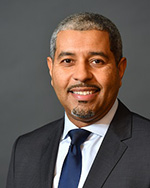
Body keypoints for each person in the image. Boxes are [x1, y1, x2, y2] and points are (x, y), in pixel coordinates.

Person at [6, 12, 150, 188]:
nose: (82, 75)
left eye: (97, 61)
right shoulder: (25, 149)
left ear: (120, 70)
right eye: (68, 61)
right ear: (51, 70)